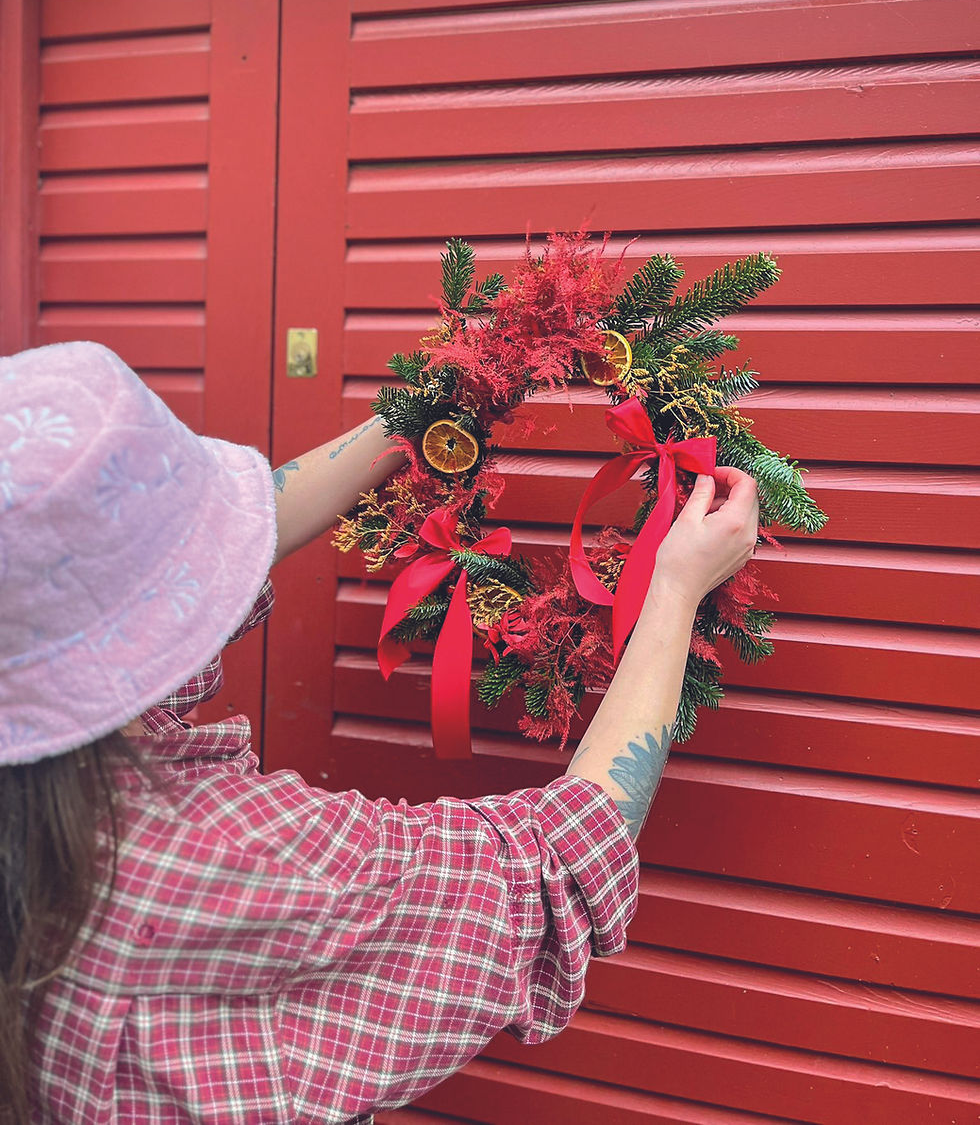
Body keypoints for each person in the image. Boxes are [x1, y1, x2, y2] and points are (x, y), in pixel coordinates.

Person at [0, 340, 759, 1125]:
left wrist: (415, 419)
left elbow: (151, 598)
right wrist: (673, 588)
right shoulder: (219, 858)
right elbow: (547, 868)